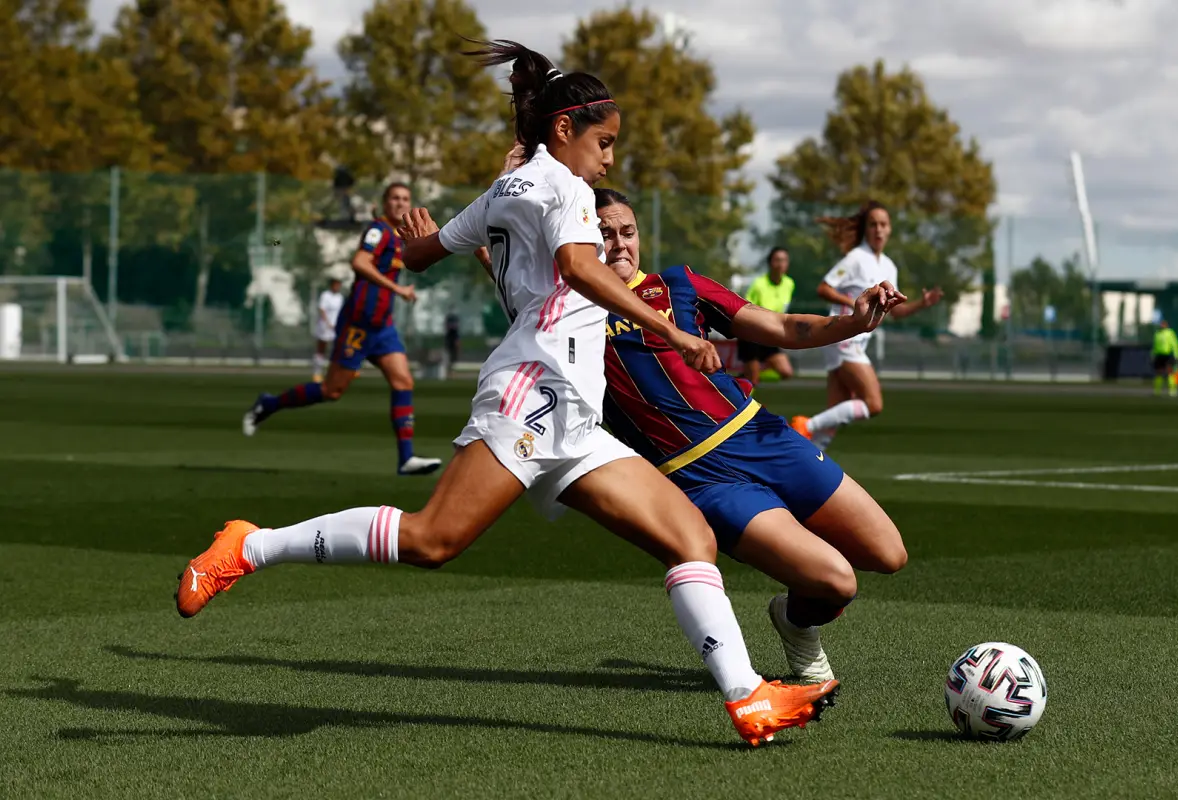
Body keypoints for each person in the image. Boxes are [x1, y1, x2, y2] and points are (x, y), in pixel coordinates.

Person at [175, 40, 837, 748]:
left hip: (575, 411)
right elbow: (581, 269)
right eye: (604, 142)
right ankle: (252, 547)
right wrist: (670, 331)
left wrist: (420, 237)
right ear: (564, 129)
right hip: (535, 386)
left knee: (690, 536)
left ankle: (747, 699)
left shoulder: (511, 186)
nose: (610, 160)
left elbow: (425, 255)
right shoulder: (564, 188)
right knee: (434, 539)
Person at [594, 188, 909, 684]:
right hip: (703, 479)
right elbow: (519, 292)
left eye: (627, 232)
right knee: (837, 580)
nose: (618, 244)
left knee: (889, 554)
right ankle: (796, 624)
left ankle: (792, 611)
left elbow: (780, 325)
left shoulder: (677, 283)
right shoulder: (568, 314)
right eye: (603, 234)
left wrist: (852, 320)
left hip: (764, 437)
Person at [241, 183, 443, 477]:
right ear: (385, 202)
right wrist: (398, 288)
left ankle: (406, 459)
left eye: (405, 199)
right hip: (358, 324)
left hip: (382, 325)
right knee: (331, 390)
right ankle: (269, 403)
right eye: (395, 198)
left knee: (403, 382)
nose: (400, 203)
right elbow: (359, 262)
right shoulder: (378, 230)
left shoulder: (400, 237)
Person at [790, 201, 944, 451]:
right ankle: (805, 425)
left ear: (890, 229)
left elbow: (896, 312)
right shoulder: (856, 259)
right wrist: (853, 303)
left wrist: (921, 304)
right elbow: (824, 288)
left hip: (853, 340)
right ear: (866, 229)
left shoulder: (888, 266)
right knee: (873, 404)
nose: (879, 229)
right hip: (843, 337)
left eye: (883, 224)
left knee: (836, 412)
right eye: (873, 224)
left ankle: (807, 466)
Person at [737, 247, 796, 385]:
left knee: (786, 372)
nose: (781, 264)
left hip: (770, 334)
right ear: (770, 263)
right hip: (751, 334)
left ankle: (745, 377)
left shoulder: (789, 283)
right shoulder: (759, 284)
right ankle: (749, 379)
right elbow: (745, 308)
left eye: (784, 260)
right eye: (777, 260)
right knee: (753, 382)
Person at [312, 277, 344, 382]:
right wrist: (328, 323)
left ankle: (336, 372)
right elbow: (322, 309)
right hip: (325, 326)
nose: (337, 287)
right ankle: (317, 372)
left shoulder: (340, 297)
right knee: (321, 349)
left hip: (336, 326)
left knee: (339, 348)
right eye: (336, 284)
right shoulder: (325, 295)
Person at [1152, 318, 1178, 397]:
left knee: (1170, 372)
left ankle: (1172, 390)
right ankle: (1157, 391)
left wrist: (1177, 353)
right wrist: (1153, 354)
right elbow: (1155, 346)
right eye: (1161, 324)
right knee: (1159, 373)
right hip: (1159, 355)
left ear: (1167, 325)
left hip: (1168, 354)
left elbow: (1174, 343)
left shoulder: (1170, 333)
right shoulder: (1157, 334)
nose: (1162, 325)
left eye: (1164, 324)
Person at [444, 309, 460, 373]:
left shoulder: (454, 318)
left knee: (453, 353)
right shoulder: (450, 318)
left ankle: (451, 366)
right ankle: (449, 367)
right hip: (450, 339)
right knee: (449, 353)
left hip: (453, 338)